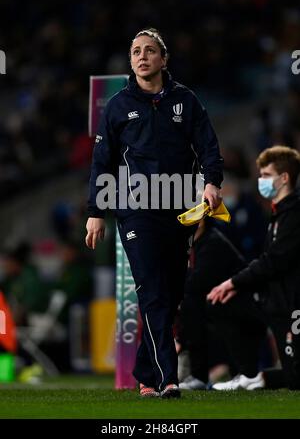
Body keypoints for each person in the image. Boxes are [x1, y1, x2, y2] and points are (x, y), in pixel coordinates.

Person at [86, 28, 223, 398]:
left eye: (149, 51)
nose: (141, 56)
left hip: (179, 209)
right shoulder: (117, 106)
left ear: (163, 59)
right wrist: (96, 211)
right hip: (135, 211)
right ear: (131, 61)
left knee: (171, 292)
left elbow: (208, 146)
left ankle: (145, 373)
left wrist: (212, 182)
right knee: (153, 292)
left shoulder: (186, 101)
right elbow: (103, 162)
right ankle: (168, 378)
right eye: (135, 52)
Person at [207, 145, 300, 390]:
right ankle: (247, 373)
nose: (261, 181)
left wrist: (234, 282)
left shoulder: (293, 215)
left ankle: (260, 377)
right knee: (221, 301)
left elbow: (274, 261)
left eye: (267, 175)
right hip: (273, 298)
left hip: (291, 305)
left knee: (296, 378)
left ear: (284, 178)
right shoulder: (278, 214)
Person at [177, 217, 268, 390]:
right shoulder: (193, 244)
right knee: (193, 305)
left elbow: (196, 283)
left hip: (248, 305)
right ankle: (199, 375)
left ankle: (239, 374)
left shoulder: (213, 243)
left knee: (198, 304)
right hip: (225, 305)